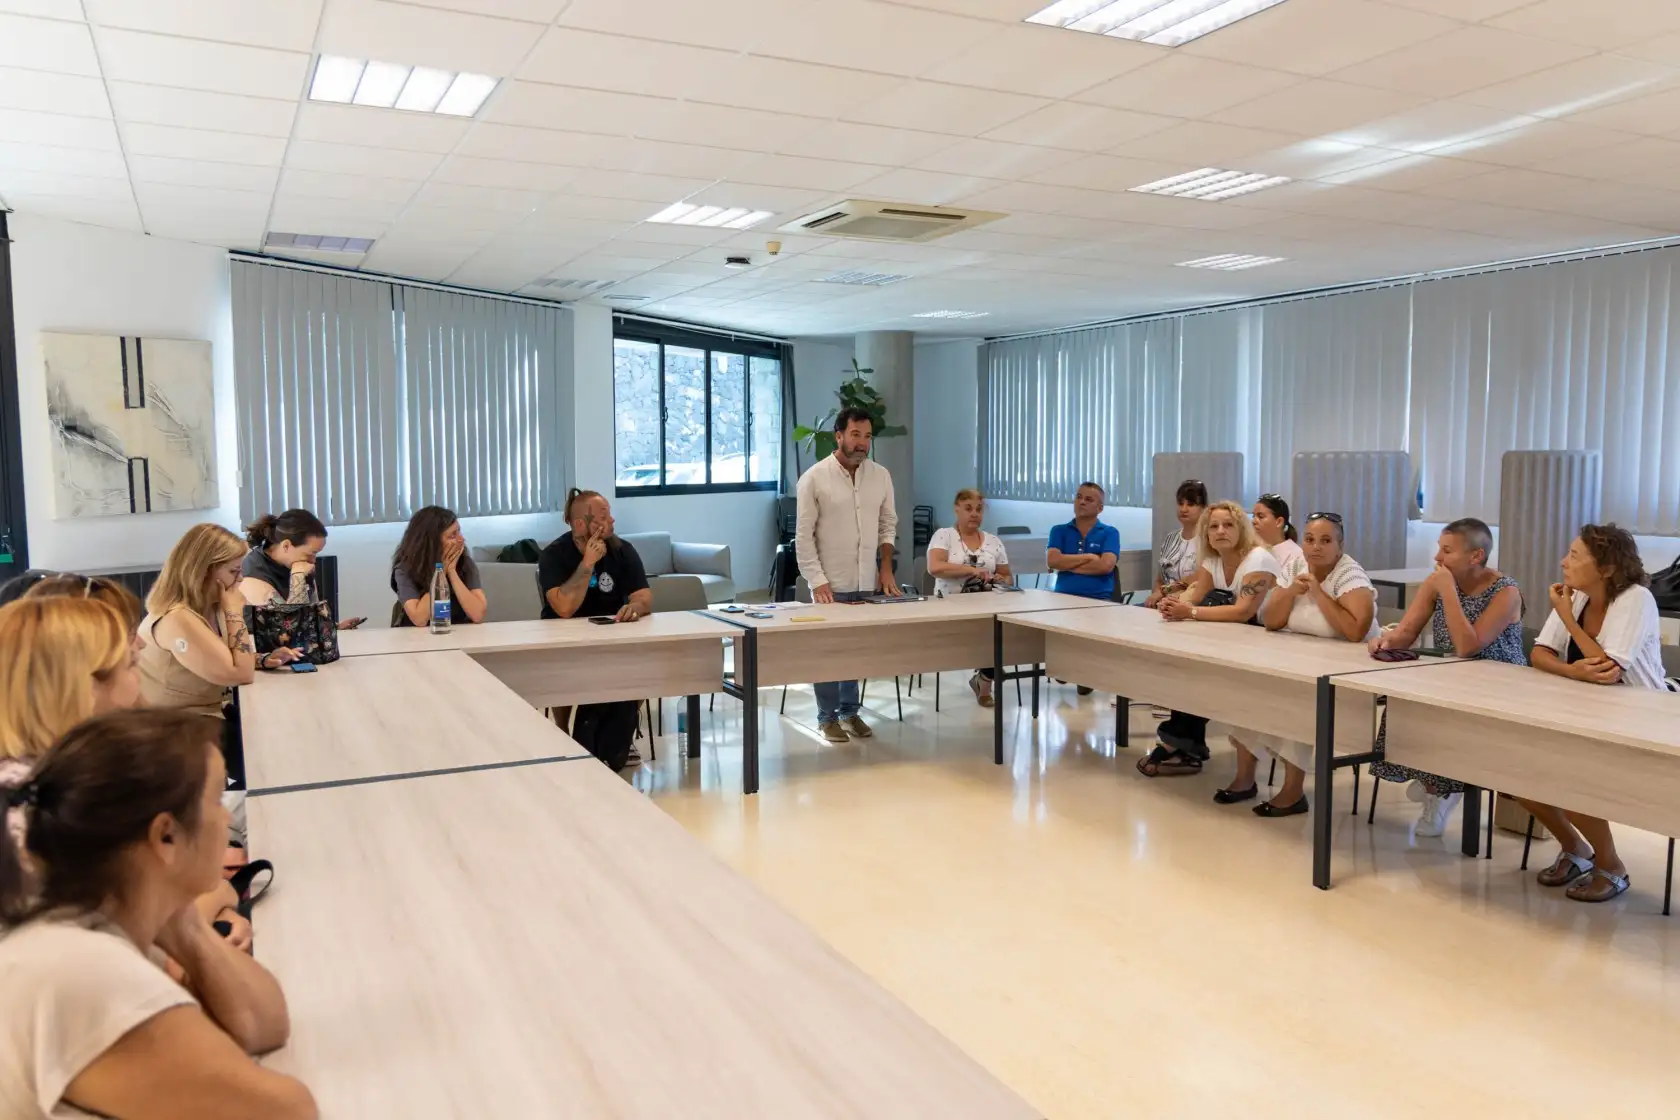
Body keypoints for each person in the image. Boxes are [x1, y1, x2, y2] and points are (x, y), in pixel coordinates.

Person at [0, 709, 314, 1118]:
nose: (225, 818)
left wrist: (185, 923)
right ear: (165, 835)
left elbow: (264, 1024)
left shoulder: (91, 917)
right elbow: (286, 1111)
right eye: (216, 799)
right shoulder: (77, 969)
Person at [0, 594, 255, 954]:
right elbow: (138, 947)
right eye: (132, 663)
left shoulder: (62, 767)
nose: (141, 643)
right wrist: (216, 898)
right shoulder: (55, 800)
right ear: (84, 687)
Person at [1516, 525, 1668, 903]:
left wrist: (1567, 618)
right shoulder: (1577, 597)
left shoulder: (1636, 599)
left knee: (1571, 782)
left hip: (1642, 716)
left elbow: (1607, 669)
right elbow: (1539, 654)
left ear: (1606, 568)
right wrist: (1571, 670)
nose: (1564, 563)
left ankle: (1611, 866)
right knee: (1514, 774)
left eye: (1575, 556)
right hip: (1585, 710)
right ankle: (1575, 848)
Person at [1369, 517, 1525, 836]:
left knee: (1447, 719)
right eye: (1439, 549)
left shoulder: (1505, 591)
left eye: (1447, 551)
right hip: (1450, 675)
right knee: (1405, 705)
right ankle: (1432, 779)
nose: (1438, 559)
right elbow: (1407, 632)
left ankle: (1441, 788)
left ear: (1476, 556)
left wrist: (1449, 594)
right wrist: (1384, 641)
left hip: (1498, 683)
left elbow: (1468, 646)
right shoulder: (1437, 581)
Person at [1214, 514, 1379, 815]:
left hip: (1347, 675)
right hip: (1302, 659)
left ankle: (1292, 792)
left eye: (1326, 541)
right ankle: (1245, 778)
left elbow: (1356, 633)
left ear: (1340, 545)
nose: (1316, 547)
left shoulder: (1350, 576)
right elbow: (1272, 623)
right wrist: (1290, 592)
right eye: (1310, 539)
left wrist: (1317, 592)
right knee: (1250, 692)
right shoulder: (1294, 566)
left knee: (1298, 703)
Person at [142, 524, 302, 799]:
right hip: (176, 726)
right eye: (233, 572)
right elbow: (238, 674)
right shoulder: (177, 618)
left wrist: (262, 659)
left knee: (278, 735)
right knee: (268, 758)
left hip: (206, 712)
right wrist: (233, 612)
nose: (240, 580)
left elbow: (224, 657)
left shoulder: (205, 606)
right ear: (202, 571)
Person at [1145, 501, 1283, 781]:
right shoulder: (1212, 561)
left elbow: (1244, 611)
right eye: (1214, 526)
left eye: (1228, 524)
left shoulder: (1258, 559)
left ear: (1241, 529)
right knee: (1185, 667)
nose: (1221, 531)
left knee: (1205, 678)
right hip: (1232, 639)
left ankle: (1178, 743)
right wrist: (1173, 604)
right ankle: (1185, 745)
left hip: (1271, 644)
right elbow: (1194, 599)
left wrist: (1190, 612)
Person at [794, 407, 900, 743]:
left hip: (866, 580)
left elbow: (888, 524)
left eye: (867, 436)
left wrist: (885, 568)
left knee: (855, 649)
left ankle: (850, 713)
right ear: (838, 436)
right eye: (855, 435)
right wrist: (817, 579)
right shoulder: (814, 478)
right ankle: (826, 718)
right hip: (830, 583)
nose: (862, 443)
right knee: (827, 652)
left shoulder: (880, 475)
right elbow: (803, 535)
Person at [538, 489, 653, 771]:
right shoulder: (554, 555)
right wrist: (587, 564)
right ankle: (563, 733)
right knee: (562, 670)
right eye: (603, 517)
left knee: (644, 663)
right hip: (563, 636)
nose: (612, 521)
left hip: (611, 632)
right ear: (580, 524)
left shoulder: (622, 550)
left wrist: (634, 608)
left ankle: (623, 736)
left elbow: (644, 597)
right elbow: (564, 608)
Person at [926, 489, 1012, 707]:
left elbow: (1008, 576)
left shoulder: (993, 541)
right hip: (950, 607)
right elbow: (935, 567)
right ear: (957, 509)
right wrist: (970, 570)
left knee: (1000, 638)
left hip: (987, 606)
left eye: (979, 509)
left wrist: (1000, 579)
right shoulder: (944, 535)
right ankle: (984, 676)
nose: (974, 514)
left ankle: (983, 682)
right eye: (968, 509)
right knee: (987, 639)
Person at [1146, 479, 1209, 725]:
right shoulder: (1170, 539)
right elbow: (1160, 576)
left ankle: (1171, 698)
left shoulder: (1208, 539)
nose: (1184, 509)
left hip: (1192, 604)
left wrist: (1168, 591)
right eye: (1181, 503)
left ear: (1203, 508)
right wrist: (1155, 593)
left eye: (1191, 504)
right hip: (1164, 601)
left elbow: (1204, 575)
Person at [239, 509, 363, 629]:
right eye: (310, 554)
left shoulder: (296, 564)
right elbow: (290, 629)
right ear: (286, 546)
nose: (313, 560)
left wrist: (331, 627)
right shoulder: (252, 576)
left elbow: (311, 617)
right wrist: (298, 578)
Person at [391, 505, 488, 627]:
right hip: (419, 638)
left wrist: (451, 572)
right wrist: (440, 572)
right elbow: (419, 619)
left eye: (459, 531)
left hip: (460, 634)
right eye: (452, 535)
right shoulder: (405, 569)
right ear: (432, 542)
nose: (461, 539)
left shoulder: (465, 563)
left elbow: (477, 614)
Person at [1251, 493, 1304, 580]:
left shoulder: (1296, 556)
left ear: (1279, 522)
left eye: (1260, 516)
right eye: (1254, 516)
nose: (1253, 521)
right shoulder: (1252, 550)